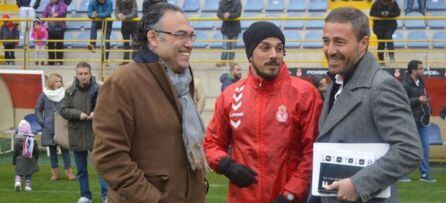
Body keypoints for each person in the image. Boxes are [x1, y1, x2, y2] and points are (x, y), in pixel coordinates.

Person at [92, 2, 206, 202]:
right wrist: (154, 199)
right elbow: (110, 158)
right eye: (181, 35)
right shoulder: (122, 82)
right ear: (153, 38)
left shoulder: (182, 81)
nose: (189, 43)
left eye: (191, 35)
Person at [204, 21, 323, 203]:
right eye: (265, 48)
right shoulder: (230, 96)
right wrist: (226, 164)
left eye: (279, 48)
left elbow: (313, 151)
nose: (274, 55)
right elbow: (212, 143)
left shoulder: (305, 93)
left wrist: (291, 194)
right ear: (250, 54)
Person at [317, 7, 422, 202]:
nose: (330, 50)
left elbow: (409, 150)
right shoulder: (337, 81)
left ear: (363, 44)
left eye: (339, 42)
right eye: (326, 41)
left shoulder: (381, 86)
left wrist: (359, 184)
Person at [60, 62, 107, 203]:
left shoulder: (99, 89)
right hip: (77, 134)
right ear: (76, 75)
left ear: (90, 74)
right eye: (80, 74)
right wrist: (77, 114)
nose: (83, 76)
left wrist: (96, 113)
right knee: (81, 170)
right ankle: (85, 196)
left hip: (96, 134)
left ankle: (106, 196)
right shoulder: (69, 91)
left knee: (101, 168)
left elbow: (108, 106)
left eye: (86, 73)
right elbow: (63, 110)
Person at [35, 73, 76, 181]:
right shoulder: (44, 94)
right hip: (49, 127)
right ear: (51, 82)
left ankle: (69, 173)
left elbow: (70, 107)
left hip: (62, 125)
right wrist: (42, 122)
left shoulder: (65, 93)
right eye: (57, 81)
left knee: (65, 149)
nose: (59, 83)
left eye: (60, 81)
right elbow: (38, 109)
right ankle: (55, 173)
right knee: (52, 150)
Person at [401, 60, 436, 182]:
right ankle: (402, 174)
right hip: (410, 122)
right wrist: (418, 100)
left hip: (423, 121)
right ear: (413, 70)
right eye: (420, 69)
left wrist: (428, 108)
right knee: (407, 148)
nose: (423, 71)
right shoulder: (405, 84)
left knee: (425, 147)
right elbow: (402, 102)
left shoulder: (421, 82)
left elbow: (423, 98)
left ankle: (425, 174)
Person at [370, 0, 400, 65]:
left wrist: (389, 14)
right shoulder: (376, 3)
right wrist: (380, 14)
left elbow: (397, 13)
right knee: (381, 43)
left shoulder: (393, 3)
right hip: (378, 27)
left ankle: (391, 55)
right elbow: (371, 14)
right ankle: (381, 61)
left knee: (388, 37)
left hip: (390, 25)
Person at [13, 120, 39, 192]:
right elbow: (36, 151)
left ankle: (17, 182)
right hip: (30, 160)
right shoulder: (33, 140)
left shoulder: (17, 140)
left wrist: (14, 161)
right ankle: (27, 187)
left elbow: (15, 152)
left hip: (19, 160)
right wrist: (36, 159)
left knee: (18, 173)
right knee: (28, 174)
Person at [216, 0, 242, 67]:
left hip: (235, 28)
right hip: (225, 28)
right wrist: (223, 15)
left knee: (233, 46)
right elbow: (218, 13)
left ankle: (231, 62)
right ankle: (223, 62)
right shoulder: (221, 2)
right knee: (225, 46)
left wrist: (229, 15)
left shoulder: (238, 2)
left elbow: (238, 13)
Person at [42, 0, 67, 65]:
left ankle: (59, 61)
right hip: (51, 28)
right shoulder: (48, 5)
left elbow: (63, 11)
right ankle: (51, 61)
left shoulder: (62, 3)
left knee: (59, 45)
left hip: (60, 28)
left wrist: (57, 14)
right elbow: (44, 14)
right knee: (50, 45)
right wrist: (41, 24)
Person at [115, 0, 138, 64]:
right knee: (126, 44)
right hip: (125, 26)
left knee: (135, 44)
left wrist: (125, 17)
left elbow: (134, 13)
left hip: (134, 26)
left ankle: (135, 62)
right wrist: (118, 16)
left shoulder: (133, 1)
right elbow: (116, 13)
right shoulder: (118, 1)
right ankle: (126, 61)